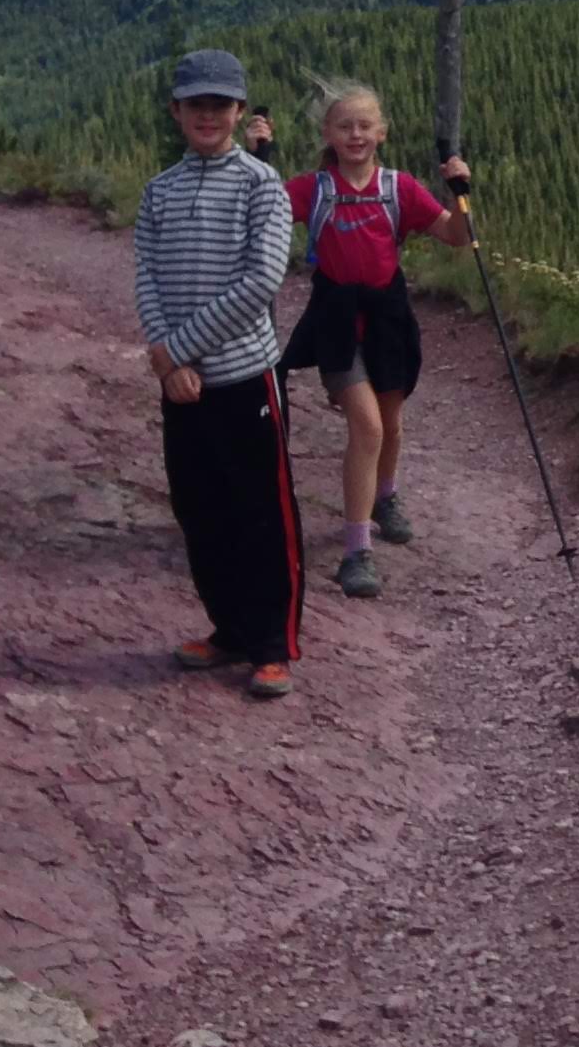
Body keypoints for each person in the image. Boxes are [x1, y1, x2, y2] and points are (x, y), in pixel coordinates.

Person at [134, 50, 303, 699]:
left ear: (239, 111)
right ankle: (230, 628)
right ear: (176, 111)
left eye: (220, 104)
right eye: (194, 104)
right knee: (200, 510)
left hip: (244, 378)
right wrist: (166, 355)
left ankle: (273, 644)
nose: (207, 115)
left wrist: (177, 351)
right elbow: (146, 275)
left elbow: (262, 281)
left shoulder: (262, 185)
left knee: (263, 512)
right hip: (181, 385)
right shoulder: (159, 191)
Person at [276, 83, 469, 600]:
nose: (355, 134)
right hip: (335, 322)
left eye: (365, 125)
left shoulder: (399, 188)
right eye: (345, 126)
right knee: (368, 426)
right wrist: (258, 155)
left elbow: (458, 236)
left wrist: (462, 189)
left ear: (381, 132)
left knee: (392, 423)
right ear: (328, 134)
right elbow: (259, 213)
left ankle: (385, 497)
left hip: (388, 318)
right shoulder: (311, 189)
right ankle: (356, 552)